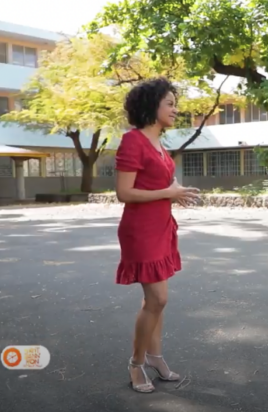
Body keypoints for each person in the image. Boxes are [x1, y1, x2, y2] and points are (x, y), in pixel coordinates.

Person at [114, 77, 200, 393]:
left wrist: (175, 192)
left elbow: (160, 185)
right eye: (170, 104)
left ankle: (155, 356)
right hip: (140, 230)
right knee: (158, 299)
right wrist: (168, 192)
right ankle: (136, 363)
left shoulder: (159, 145)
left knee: (156, 301)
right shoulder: (132, 141)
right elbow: (124, 192)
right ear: (152, 106)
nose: (176, 109)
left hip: (162, 226)